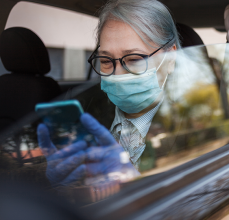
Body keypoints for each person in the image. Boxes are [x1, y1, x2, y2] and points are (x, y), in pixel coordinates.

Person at [38, 0, 180, 188]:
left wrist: (132, 181)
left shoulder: (193, 120)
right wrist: (57, 186)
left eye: (134, 59)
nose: (117, 73)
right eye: (106, 60)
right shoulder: (85, 110)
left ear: (170, 59)